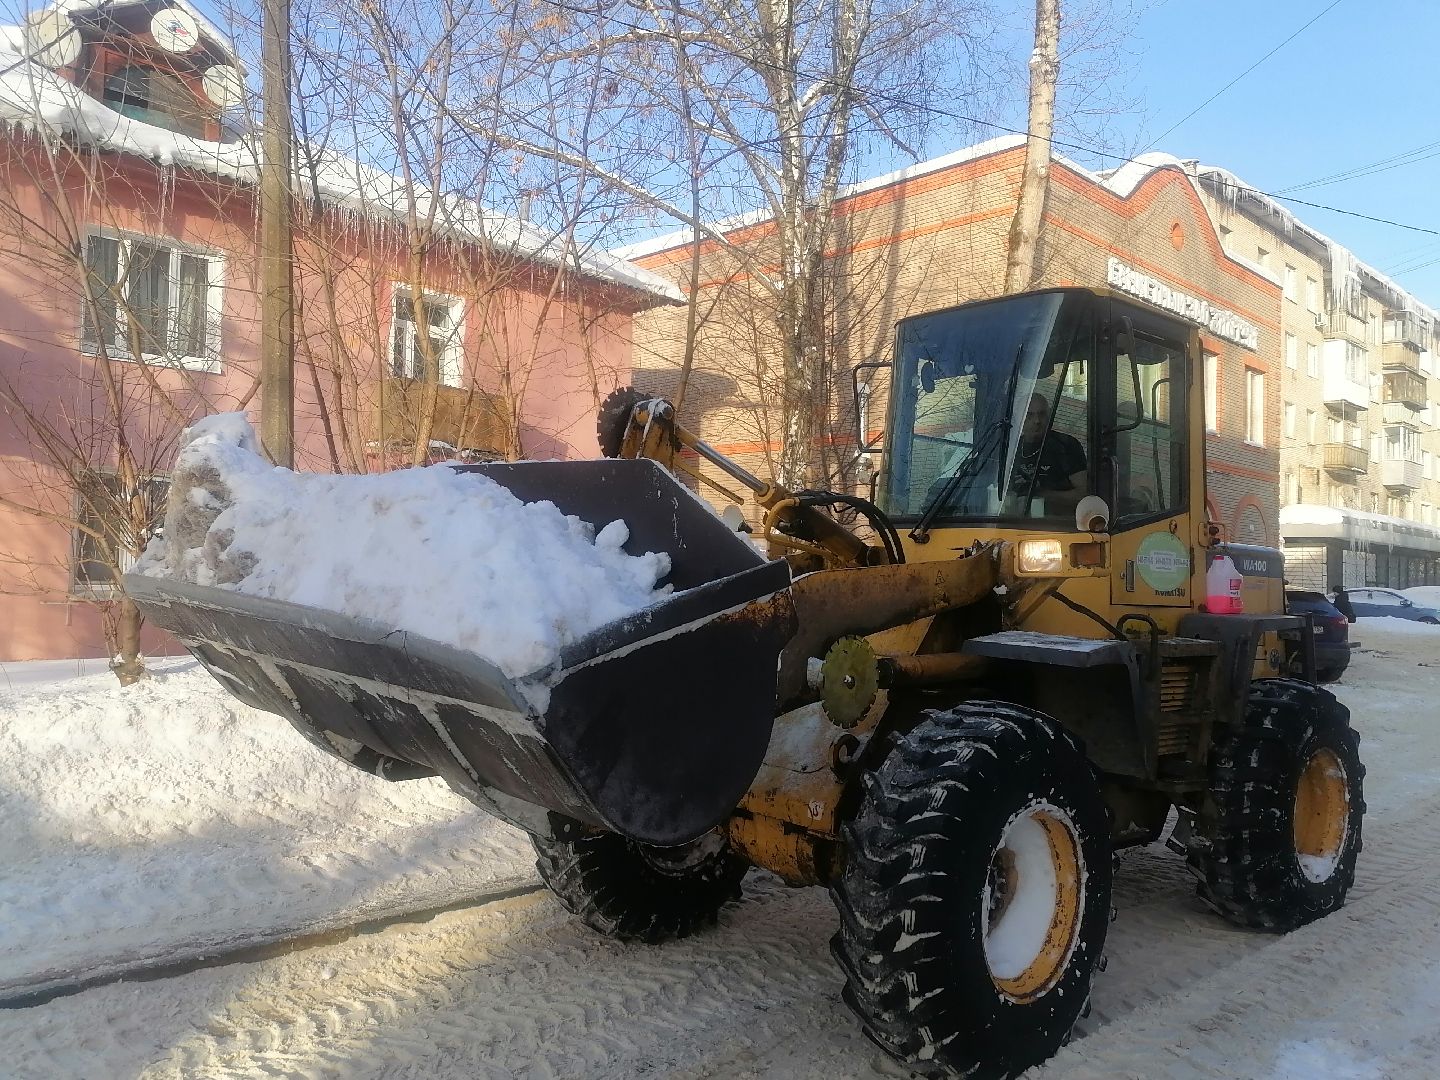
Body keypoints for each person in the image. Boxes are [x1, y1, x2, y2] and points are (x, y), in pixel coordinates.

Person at [1010, 393, 1087, 511]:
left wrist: (1040, 494)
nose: (1037, 421)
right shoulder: (1011, 448)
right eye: (1029, 415)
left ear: (1049, 415)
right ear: (1018, 417)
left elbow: (1084, 495)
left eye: (1042, 414)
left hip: (1055, 523)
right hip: (1010, 523)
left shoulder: (1066, 446)